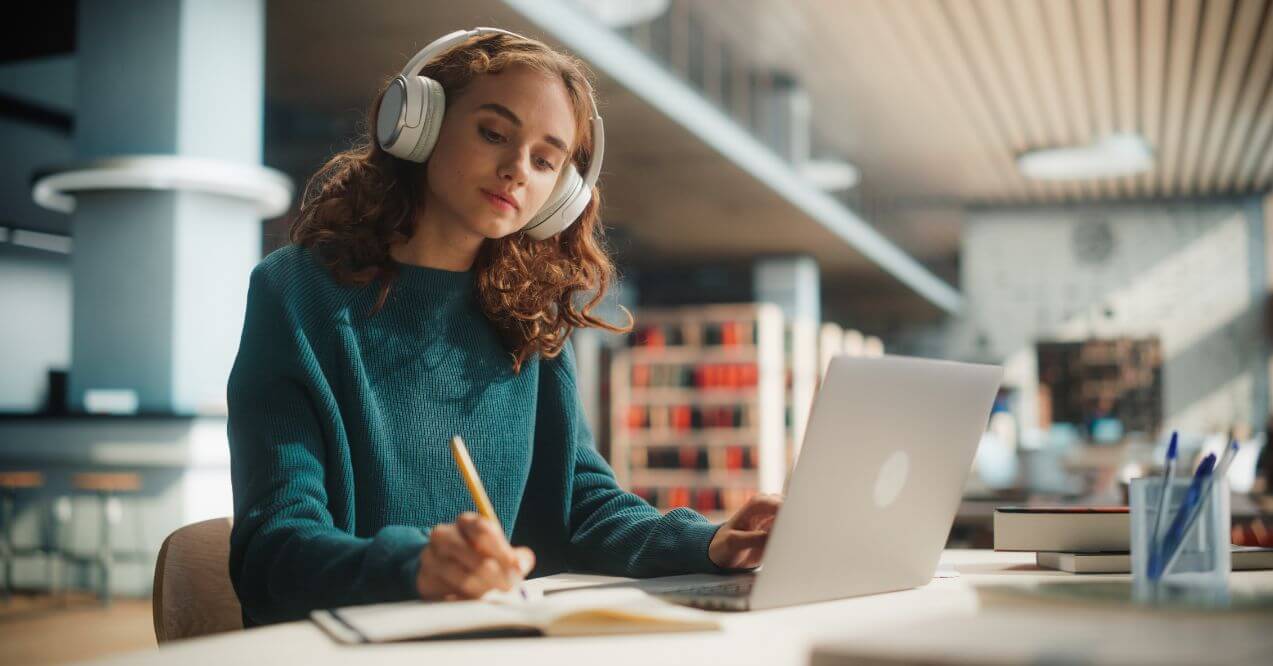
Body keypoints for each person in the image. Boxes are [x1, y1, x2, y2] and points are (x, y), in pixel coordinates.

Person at [226, 28, 781, 626]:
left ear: (559, 193)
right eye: (494, 133)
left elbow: (584, 507)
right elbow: (274, 544)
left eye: (545, 160)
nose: (517, 170)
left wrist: (708, 542)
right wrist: (416, 568)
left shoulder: (529, 318)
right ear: (421, 123)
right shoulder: (297, 293)